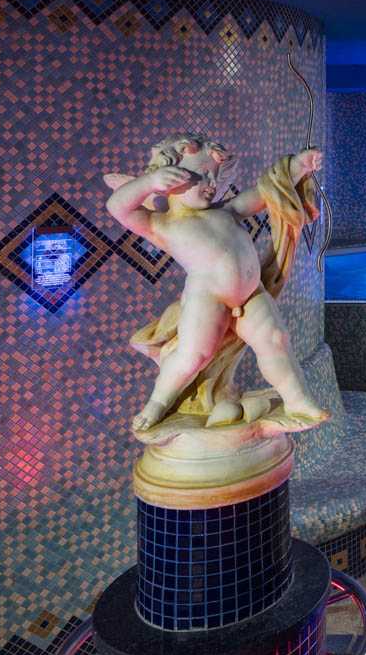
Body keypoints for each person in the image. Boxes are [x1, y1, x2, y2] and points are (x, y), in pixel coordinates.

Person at [105, 133, 327, 432]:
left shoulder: (227, 211)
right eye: (200, 175)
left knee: (276, 340)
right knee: (193, 356)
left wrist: (300, 166)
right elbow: (118, 207)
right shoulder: (161, 224)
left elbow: (267, 190)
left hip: (251, 295)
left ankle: (298, 401)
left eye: (214, 176)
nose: (211, 183)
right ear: (169, 176)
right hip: (208, 297)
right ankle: (156, 404)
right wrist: (149, 183)